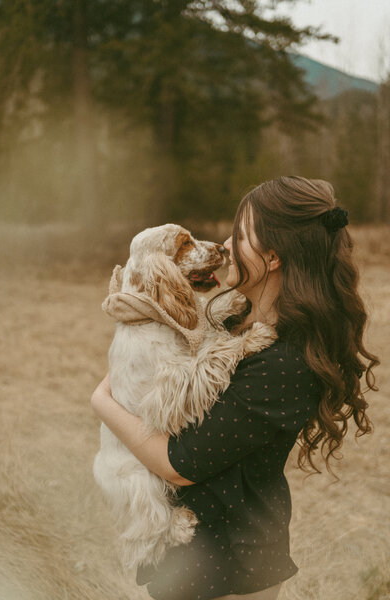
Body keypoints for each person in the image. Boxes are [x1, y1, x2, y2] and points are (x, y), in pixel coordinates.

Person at [91, 176, 379, 600]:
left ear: (274, 257)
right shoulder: (231, 324)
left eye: (239, 234)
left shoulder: (283, 363)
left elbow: (179, 463)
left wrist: (101, 401)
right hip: (195, 560)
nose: (224, 243)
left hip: (232, 567)